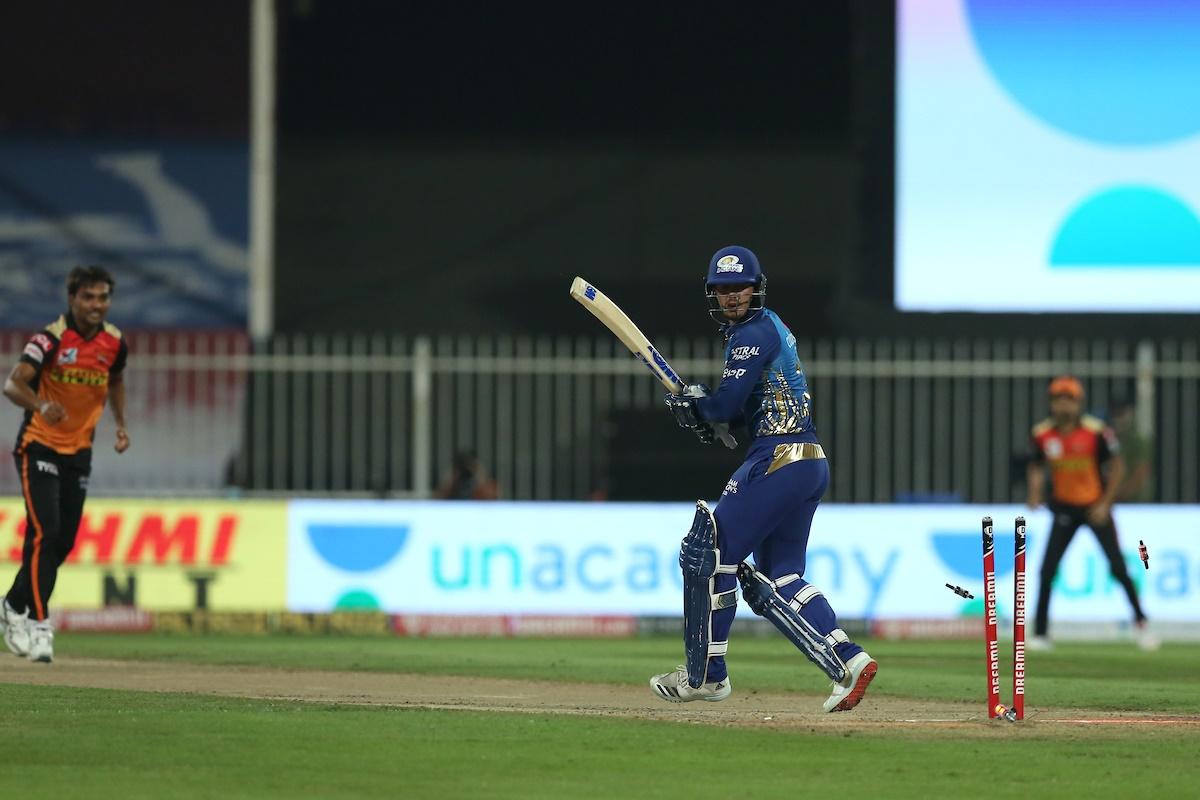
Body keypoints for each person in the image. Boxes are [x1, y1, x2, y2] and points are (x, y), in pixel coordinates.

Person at [648, 245, 877, 712]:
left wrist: (697, 405)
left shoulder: (752, 332)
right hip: (808, 460)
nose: (731, 297)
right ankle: (849, 661)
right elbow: (740, 410)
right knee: (781, 577)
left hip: (777, 459)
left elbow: (725, 406)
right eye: (722, 289)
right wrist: (707, 414)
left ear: (756, 287)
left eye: (738, 287)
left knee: (708, 555)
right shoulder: (772, 327)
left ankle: (705, 677)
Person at [0, 266, 130, 663]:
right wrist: (41, 404)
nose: (96, 305)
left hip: (79, 451)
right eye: (88, 297)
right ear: (72, 299)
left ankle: (11, 605)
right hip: (38, 446)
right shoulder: (50, 338)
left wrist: (121, 425)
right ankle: (40, 623)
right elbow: (12, 384)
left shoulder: (114, 342)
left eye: (103, 297)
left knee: (62, 541)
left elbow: (115, 380)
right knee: (46, 531)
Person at [1026, 376, 1157, 651]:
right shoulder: (1042, 434)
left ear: (1078, 403)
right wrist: (1035, 494)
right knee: (1046, 570)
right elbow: (1036, 466)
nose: (1064, 404)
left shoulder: (1096, 432)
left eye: (1069, 399)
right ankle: (1040, 634)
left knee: (1118, 567)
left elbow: (1118, 467)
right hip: (1064, 507)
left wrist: (1104, 504)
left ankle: (1142, 625)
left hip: (1095, 507)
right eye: (1059, 399)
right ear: (1051, 403)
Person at [1109, 398, 1154, 503]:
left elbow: (1142, 471)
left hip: (1136, 500)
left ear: (1130, 414)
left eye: (1121, 414)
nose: (1119, 418)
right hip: (1110, 499)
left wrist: (1122, 493)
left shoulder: (1138, 440)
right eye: (1115, 414)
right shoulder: (1108, 437)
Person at [434, 450, 499, 500]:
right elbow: (437, 501)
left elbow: (492, 500)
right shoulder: (451, 483)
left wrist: (479, 476)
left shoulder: (485, 482)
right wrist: (450, 480)